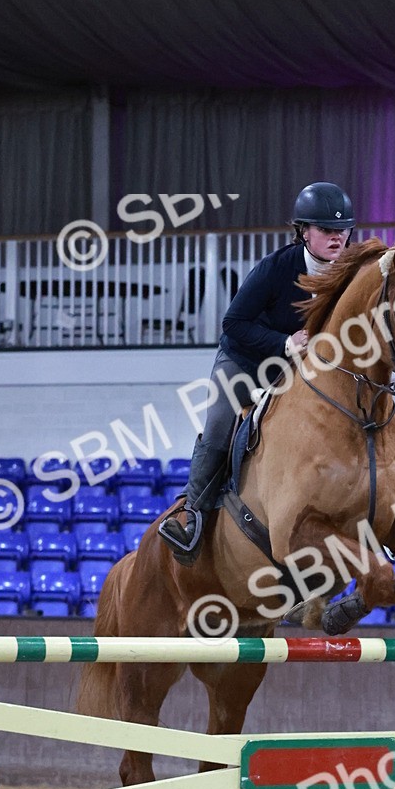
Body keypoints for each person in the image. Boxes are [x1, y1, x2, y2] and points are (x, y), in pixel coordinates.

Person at [159, 181, 355, 563]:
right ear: (303, 232)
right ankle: (191, 513)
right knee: (219, 423)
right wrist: (284, 343)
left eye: (342, 230)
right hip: (247, 362)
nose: (336, 238)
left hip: (304, 372)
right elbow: (233, 323)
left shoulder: (350, 272)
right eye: (326, 230)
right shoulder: (275, 269)